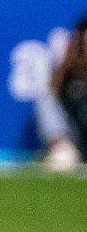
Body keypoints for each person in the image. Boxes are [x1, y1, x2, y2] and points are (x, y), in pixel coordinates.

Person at [38, 18, 87, 172]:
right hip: (77, 140)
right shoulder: (67, 71)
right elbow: (52, 96)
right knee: (46, 99)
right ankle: (62, 150)